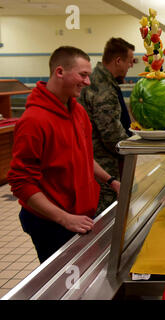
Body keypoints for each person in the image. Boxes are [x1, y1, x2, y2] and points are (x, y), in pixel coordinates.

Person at [7, 46, 120, 263]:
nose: (87, 82)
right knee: (63, 290)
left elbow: (85, 157)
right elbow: (21, 182)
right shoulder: (33, 121)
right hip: (52, 223)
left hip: (81, 216)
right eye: (83, 75)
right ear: (60, 72)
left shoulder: (77, 111)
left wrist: (111, 181)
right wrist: (65, 219)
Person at [78, 37, 135, 215]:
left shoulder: (104, 82)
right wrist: (135, 150)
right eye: (129, 61)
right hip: (103, 166)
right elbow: (111, 135)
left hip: (101, 164)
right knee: (106, 216)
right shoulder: (102, 88)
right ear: (118, 60)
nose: (130, 66)